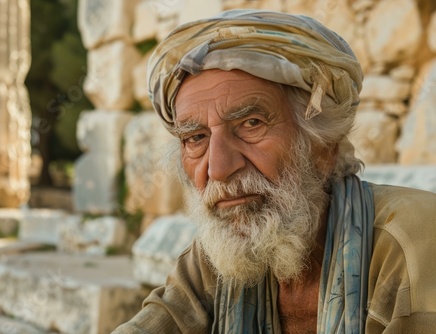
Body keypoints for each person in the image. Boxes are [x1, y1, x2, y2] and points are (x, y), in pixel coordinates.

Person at [113, 9, 436, 334]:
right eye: (196, 138)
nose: (220, 168)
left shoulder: (413, 240)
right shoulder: (216, 260)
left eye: (251, 124)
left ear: (323, 146)